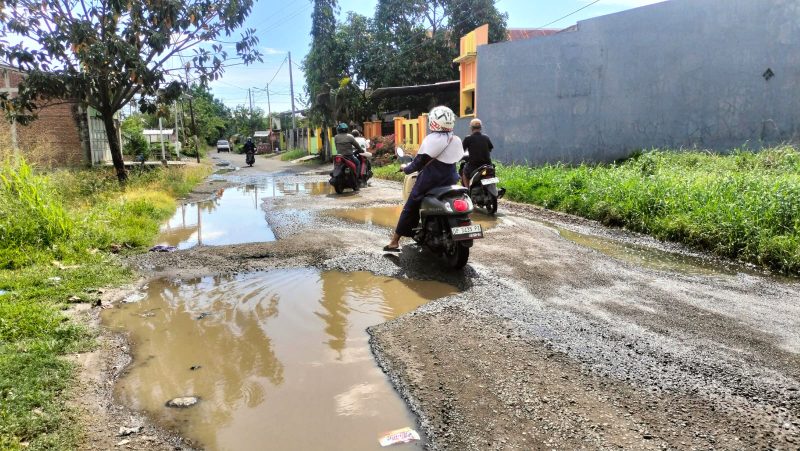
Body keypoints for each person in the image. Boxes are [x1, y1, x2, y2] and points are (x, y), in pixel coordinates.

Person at [384, 106, 462, 252]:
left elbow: (417, 163)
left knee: (410, 205)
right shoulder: (455, 139)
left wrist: (405, 168)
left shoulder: (432, 139)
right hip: (451, 179)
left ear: (433, 122)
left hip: (431, 180)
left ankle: (394, 241)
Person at [460, 118, 494, 187]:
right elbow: (490, 148)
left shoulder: (468, 138)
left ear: (471, 128)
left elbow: (461, 151)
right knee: (492, 173)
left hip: (473, 167)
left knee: (464, 171)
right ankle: (494, 188)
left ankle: (468, 190)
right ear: (480, 128)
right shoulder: (486, 137)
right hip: (487, 165)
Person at [334, 123, 363, 189]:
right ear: (346, 129)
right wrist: (360, 150)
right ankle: (357, 177)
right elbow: (357, 145)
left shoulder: (336, 137)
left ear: (338, 130)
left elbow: (336, 147)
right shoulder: (350, 136)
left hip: (340, 156)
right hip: (349, 156)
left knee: (336, 165)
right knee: (358, 163)